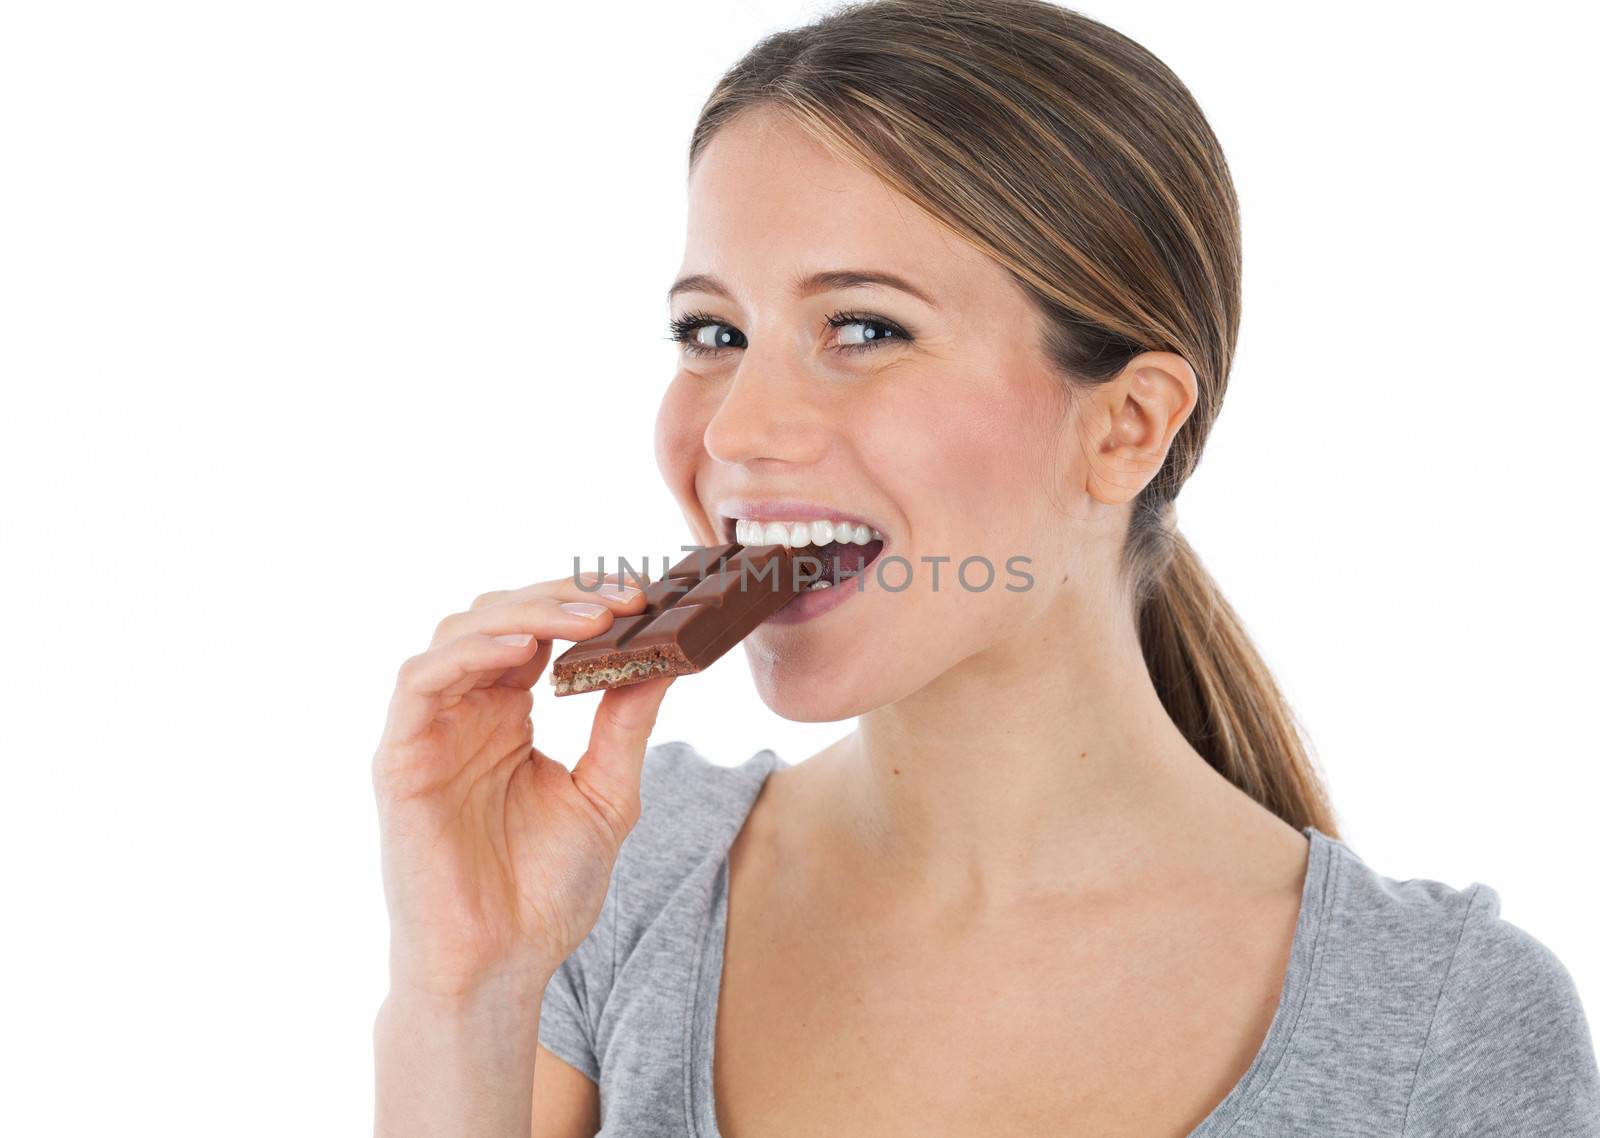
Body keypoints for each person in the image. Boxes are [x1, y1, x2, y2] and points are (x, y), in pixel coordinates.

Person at [370, 1, 1600, 1134]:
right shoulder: (621, 875)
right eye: (714, 333)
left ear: (1124, 425)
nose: (735, 429)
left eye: (864, 327)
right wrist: (464, 985)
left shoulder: (1448, 1025)